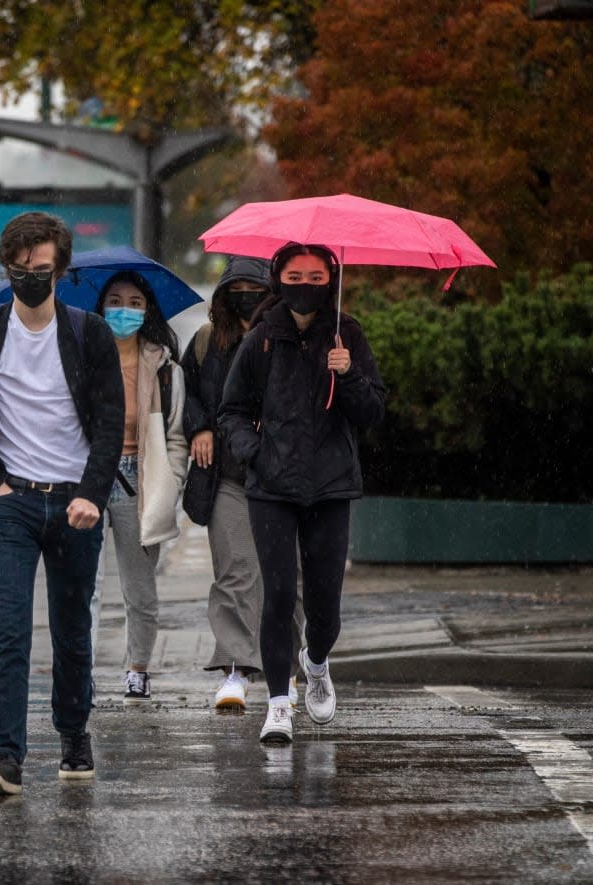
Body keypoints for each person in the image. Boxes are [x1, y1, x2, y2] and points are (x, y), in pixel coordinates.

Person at [0, 211, 124, 795]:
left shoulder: (88, 333)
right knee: (10, 631)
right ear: (7, 269)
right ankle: (7, 756)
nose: (30, 278)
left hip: (75, 504)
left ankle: (74, 737)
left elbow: (108, 423)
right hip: (10, 504)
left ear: (61, 271)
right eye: (20, 270)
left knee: (72, 631)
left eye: (41, 270)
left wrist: (92, 495)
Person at [218, 243, 385, 744]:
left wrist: (348, 373)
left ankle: (316, 663)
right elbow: (231, 410)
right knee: (278, 595)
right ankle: (277, 702)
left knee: (324, 606)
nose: (305, 285)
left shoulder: (347, 332)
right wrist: (256, 451)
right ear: (278, 278)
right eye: (295, 275)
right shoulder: (263, 337)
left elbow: (373, 411)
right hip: (272, 487)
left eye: (316, 276)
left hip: (331, 487)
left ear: (329, 280)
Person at [180, 258, 306, 712]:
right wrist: (200, 427)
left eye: (257, 287)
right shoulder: (205, 343)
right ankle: (235, 668)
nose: (248, 295)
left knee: (287, 580)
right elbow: (188, 393)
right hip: (229, 476)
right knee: (235, 571)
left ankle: (286, 671)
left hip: (286, 479)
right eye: (239, 287)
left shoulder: (296, 337)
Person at [93, 271, 187, 704]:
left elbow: (175, 434)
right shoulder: (83, 352)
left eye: (134, 302)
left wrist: (171, 482)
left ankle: (137, 669)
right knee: (81, 587)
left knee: (139, 589)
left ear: (148, 309)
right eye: (115, 300)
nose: (124, 310)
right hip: (89, 476)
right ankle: (81, 672)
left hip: (139, 480)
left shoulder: (163, 364)